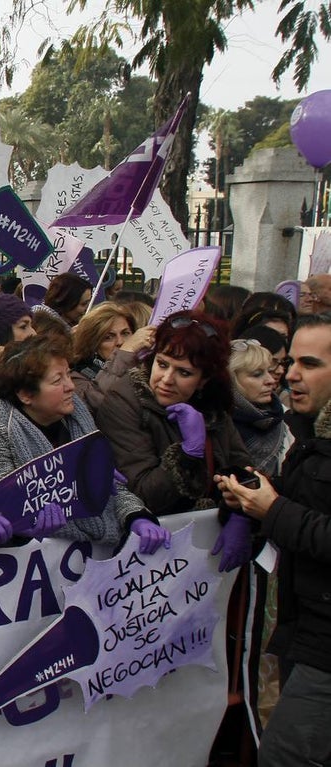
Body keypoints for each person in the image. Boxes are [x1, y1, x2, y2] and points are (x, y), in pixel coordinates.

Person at [216, 314, 331, 766]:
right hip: (306, 628)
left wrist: (272, 509)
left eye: (310, 363)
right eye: (291, 361)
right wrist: (253, 495)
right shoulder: (309, 428)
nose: (290, 374)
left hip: (324, 642)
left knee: (286, 756)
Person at [0, 334, 168, 550]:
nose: (70, 386)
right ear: (26, 395)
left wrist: (136, 517)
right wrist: (30, 524)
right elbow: (7, 503)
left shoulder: (78, 416)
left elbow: (111, 487)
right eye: (57, 380)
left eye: (68, 374)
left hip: (97, 549)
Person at [96, 311, 253, 570]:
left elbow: (241, 466)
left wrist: (239, 514)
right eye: (162, 364)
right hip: (152, 558)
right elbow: (143, 493)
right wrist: (188, 453)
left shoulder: (213, 406)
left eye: (184, 372)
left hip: (206, 551)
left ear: (204, 380)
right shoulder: (124, 400)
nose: (167, 380)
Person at [71, 302, 157, 410]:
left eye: (125, 333)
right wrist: (124, 354)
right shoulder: (77, 377)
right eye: (108, 337)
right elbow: (95, 400)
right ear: (93, 344)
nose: (120, 342)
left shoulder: (143, 370)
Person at [228, 338, 292, 476]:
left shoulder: (286, 419)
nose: (270, 380)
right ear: (232, 380)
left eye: (269, 371)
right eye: (257, 374)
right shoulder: (214, 424)